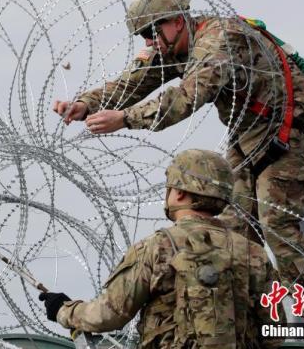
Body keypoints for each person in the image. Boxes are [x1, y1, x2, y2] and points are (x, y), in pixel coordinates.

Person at [52, 0, 304, 343]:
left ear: (175, 21)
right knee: (234, 236)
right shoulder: (174, 45)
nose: (147, 42)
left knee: (278, 227)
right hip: (246, 135)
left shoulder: (220, 40)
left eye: (150, 31)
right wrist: (87, 104)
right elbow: (137, 80)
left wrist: (125, 119)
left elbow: (187, 97)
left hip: (284, 131)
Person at [40, 149, 284, 348]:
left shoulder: (157, 246)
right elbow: (275, 331)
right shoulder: (254, 253)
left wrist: (65, 310)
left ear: (178, 193)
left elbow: (110, 313)